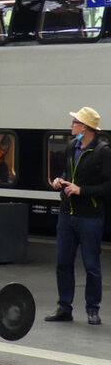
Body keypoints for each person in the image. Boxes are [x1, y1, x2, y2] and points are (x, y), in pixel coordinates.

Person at [47, 106, 111, 325]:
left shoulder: (103, 151)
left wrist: (81, 190)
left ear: (85, 127)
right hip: (67, 215)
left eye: (75, 123)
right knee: (63, 263)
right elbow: (67, 174)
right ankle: (64, 307)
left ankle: (92, 308)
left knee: (91, 265)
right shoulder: (71, 147)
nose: (72, 126)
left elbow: (108, 186)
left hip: (90, 217)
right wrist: (60, 182)